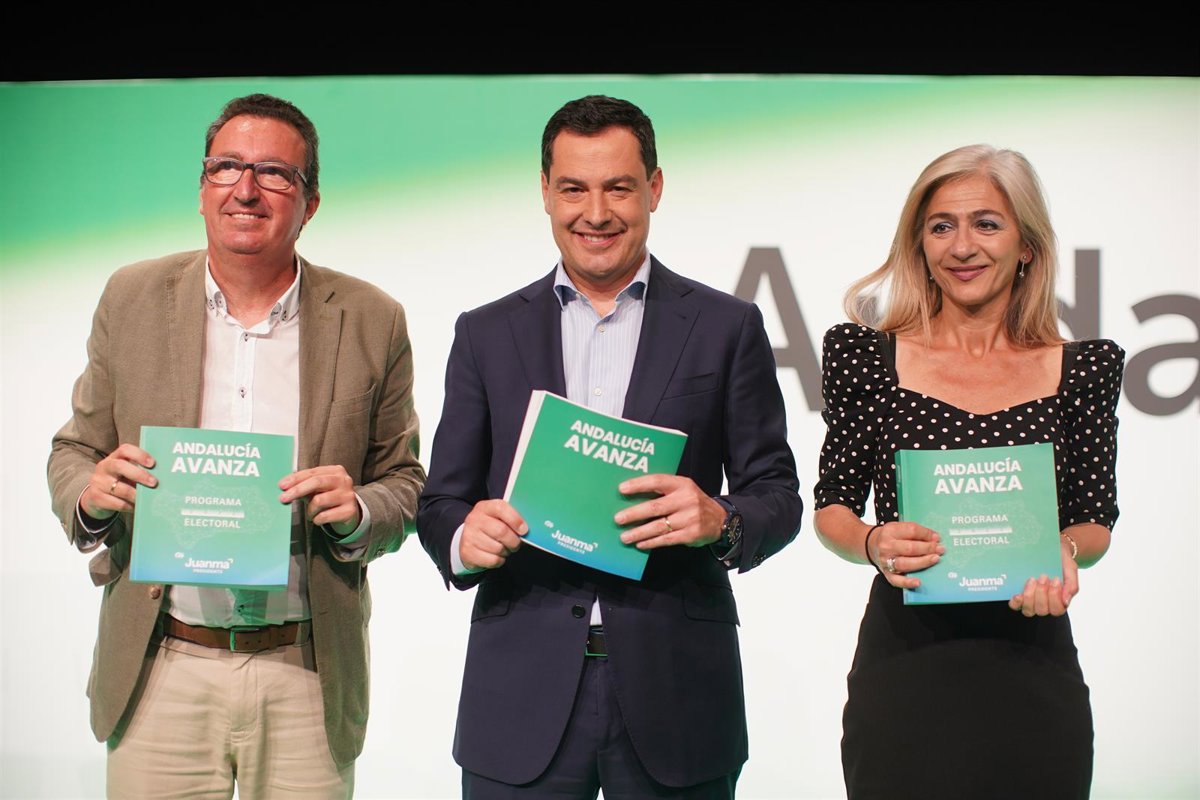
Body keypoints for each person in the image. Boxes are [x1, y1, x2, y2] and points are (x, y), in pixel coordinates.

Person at [417, 95, 803, 798]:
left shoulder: (726, 325)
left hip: (678, 692)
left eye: (618, 188)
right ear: (545, 191)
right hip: (519, 692)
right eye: (574, 189)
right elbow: (441, 500)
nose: (595, 213)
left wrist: (720, 519)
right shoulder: (485, 333)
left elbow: (777, 493)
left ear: (654, 188)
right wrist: (463, 539)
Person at [47, 93, 424, 799]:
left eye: (274, 173)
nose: (246, 189)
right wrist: (91, 495)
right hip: (161, 664)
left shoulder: (372, 319)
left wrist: (358, 512)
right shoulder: (131, 297)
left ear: (310, 204)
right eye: (226, 167)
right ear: (202, 189)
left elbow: (404, 481)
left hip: (306, 670)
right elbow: (74, 450)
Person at [813, 144, 1123, 799]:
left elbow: (1094, 520)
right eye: (941, 226)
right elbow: (833, 506)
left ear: (1026, 245)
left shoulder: (1084, 368)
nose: (962, 247)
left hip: (1034, 668)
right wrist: (872, 542)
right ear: (920, 245)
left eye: (986, 224)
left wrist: (1064, 550)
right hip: (905, 668)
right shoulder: (866, 356)